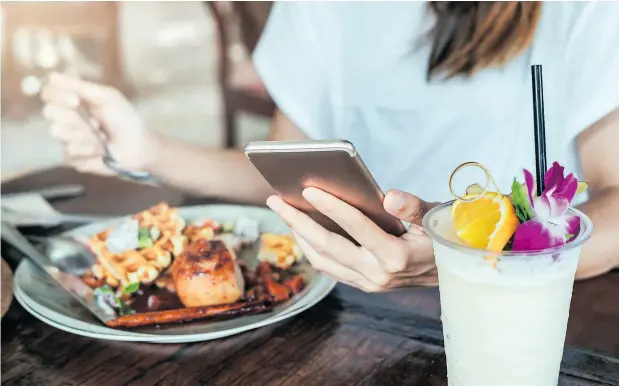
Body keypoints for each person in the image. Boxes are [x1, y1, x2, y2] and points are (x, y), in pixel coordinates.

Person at [41, 2, 619, 291]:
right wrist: (145, 151)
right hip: (345, 305)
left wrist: (456, 262)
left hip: (530, 312)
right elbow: (291, 175)